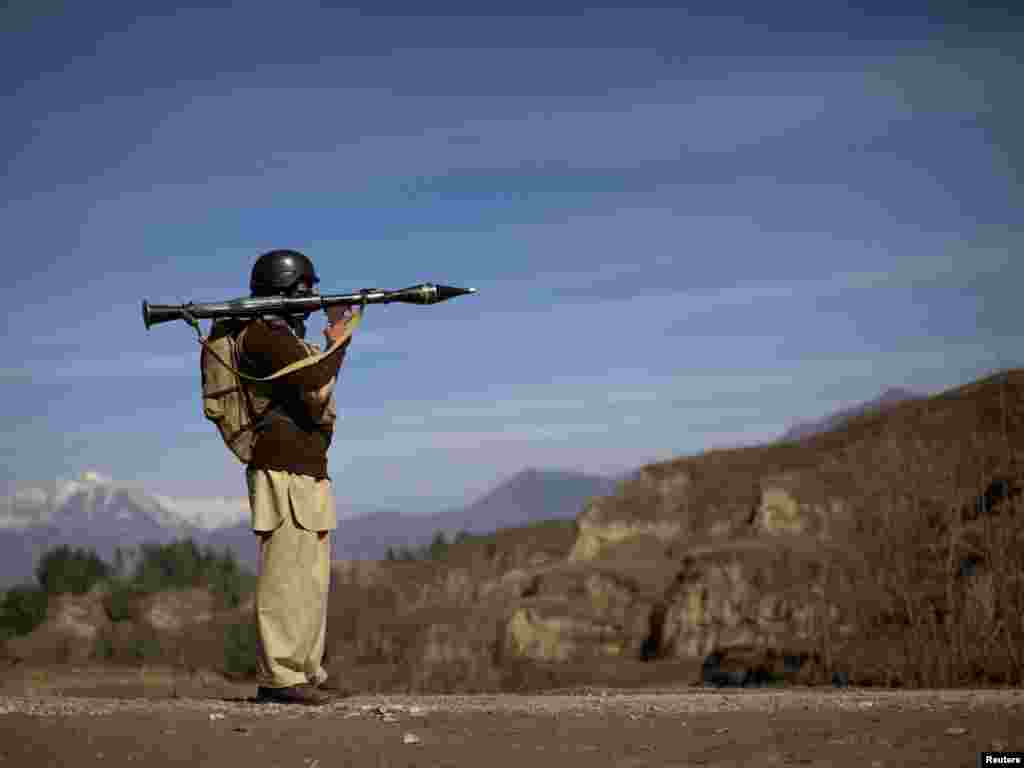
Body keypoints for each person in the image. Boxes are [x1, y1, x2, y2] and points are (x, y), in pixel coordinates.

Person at [237, 249, 357, 706]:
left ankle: (305, 671)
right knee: (285, 577)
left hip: (306, 468)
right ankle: (279, 677)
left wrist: (329, 337)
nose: (312, 296)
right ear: (285, 289)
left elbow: (314, 382)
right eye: (305, 288)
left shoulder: (285, 334)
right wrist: (340, 335)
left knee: (310, 580)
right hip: (281, 468)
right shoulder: (264, 335)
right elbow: (313, 379)